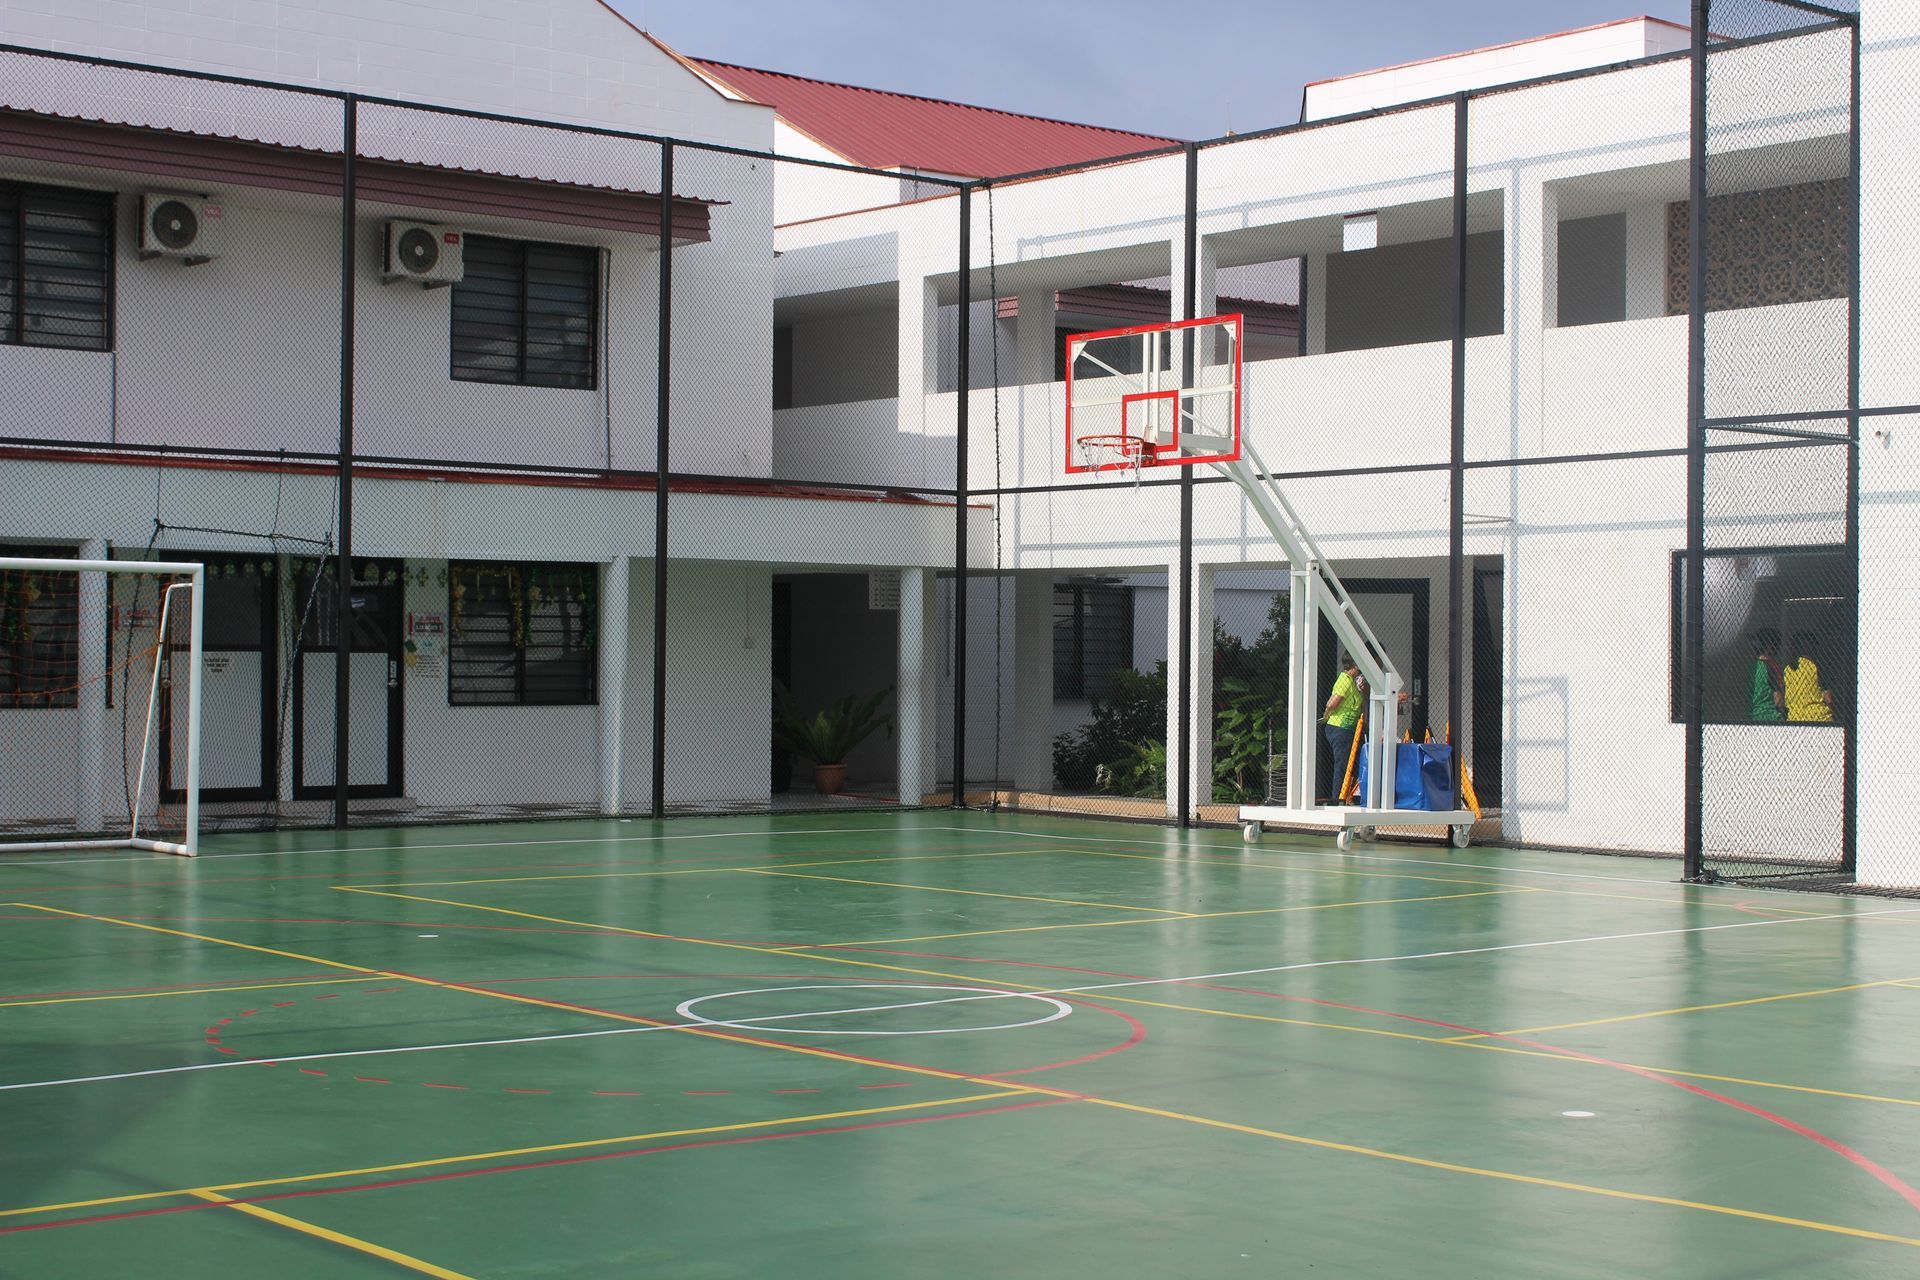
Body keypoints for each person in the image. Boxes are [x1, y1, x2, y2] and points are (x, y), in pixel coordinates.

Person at [1322, 653, 1365, 800]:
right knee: (1342, 764)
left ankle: (1348, 796)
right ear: (1355, 665)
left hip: (1349, 729)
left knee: (1351, 763)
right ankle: (1337, 799)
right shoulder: (1344, 680)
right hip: (1339, 728)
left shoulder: (1352, 681)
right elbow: (1332, 703)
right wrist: (1327, 714)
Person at [1783, 632, 1835, 723]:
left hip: (1794, 718)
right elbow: (1828, 699)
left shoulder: (1788, 669)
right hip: (1818, 717)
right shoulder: (1817, 666)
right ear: (1813, 648)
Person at [1748, 628, 1784, 723]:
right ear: (1771, 646)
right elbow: (1778, 699)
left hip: (1753, 717)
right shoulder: (1771, 665)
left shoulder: (1753, 667)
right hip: (1771, 717)